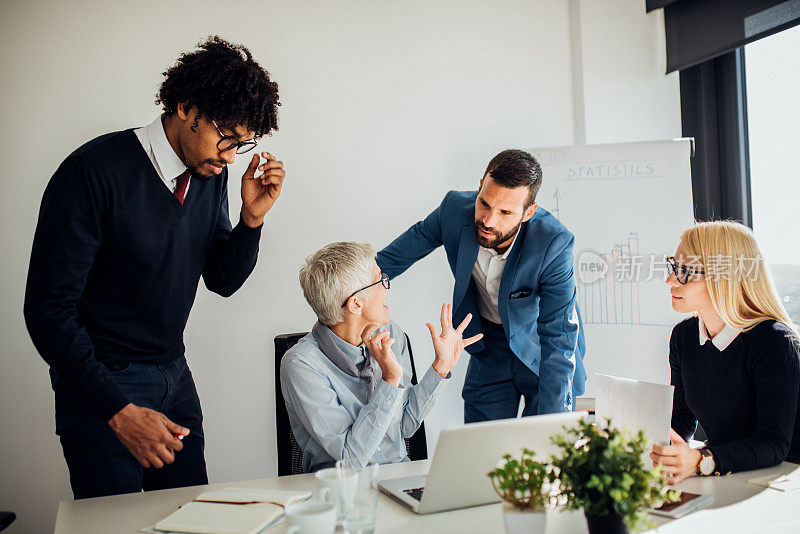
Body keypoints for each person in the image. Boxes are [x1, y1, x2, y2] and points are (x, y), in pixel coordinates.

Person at [23, 36, 285, 498]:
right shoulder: (93, 172)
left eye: (242, 145)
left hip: (173, 374)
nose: (229, 155)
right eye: (225, 136)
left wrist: (251, 220)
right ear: (186, 107)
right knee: (114, 524)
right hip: (101, 383)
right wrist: (118, 410)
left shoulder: (209, 174)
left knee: (194, 517)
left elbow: (221, 280)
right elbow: (47, 311)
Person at [376, 149, 586, 423]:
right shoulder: (453, 210)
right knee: (482, 450)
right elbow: (391, 259)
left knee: (543, 447)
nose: (488, 221)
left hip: (542, 351)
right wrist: (349, 294)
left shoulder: (553, 243)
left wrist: (555, 427)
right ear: (479, 187)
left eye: (505, 212)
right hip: (489, 346)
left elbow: (558, 334)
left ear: (528, 212)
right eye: (484, 204)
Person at [281, 242, 482, 472]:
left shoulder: (390, 334)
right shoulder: (301, 364)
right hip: (342, 492)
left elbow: (403, 427)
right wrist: (390, 379)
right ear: (356, 304)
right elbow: (351, 459)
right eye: (380, 280)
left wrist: (440, 367)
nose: (388, 287)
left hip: (397, 479)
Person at [651, 221, 800, 483]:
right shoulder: (683, 338)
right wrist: (642, 441)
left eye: (684, 271)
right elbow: (683, 420)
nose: (670, 280)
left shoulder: (774, 342)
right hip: (729, 477)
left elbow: (774, 445)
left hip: (780, 482)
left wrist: (701, 460)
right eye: (673, 267)